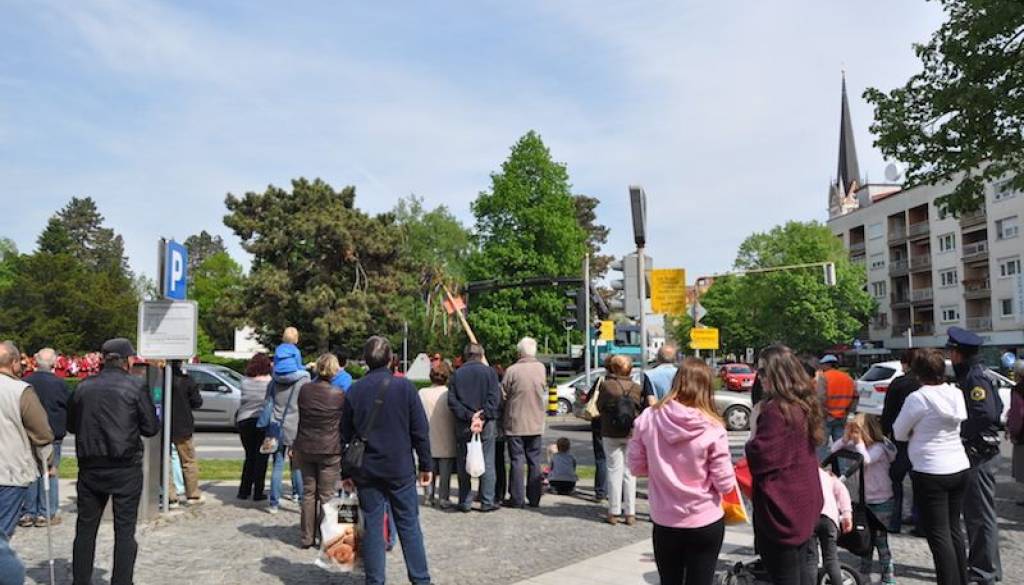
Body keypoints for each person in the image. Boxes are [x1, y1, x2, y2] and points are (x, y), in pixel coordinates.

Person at [629, 357, 734, 584]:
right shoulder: (712, 426)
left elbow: (636, 466)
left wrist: (661, 467)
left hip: (665, 519)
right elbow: (725, 483)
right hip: (704, 518)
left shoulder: (649, 418)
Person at [341, 336, 432, 585]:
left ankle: (375, 581)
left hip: (367, 469)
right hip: (400, 468)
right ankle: (421, 579)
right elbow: (420, 431)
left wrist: (345, 472)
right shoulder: (405, 388)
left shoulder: (355, 390)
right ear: (391, 359)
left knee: (372, 526)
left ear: (365, 360)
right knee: (409, 525)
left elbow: (344, 435)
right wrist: (426, 465)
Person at [69, 338, 160, 585]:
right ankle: (121, 581)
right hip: (125, 466)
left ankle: (80, 580)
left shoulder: (83, 386)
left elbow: (71, 425)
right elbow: (151, 427)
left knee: (85, 528)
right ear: (127, 360)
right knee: (125, 529)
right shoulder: (135, 386)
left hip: (90, 465)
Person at [745, 345, 823, 585]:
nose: (759, 377)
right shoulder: (802, 403)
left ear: (777, 374)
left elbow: (760, 458)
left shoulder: (777, 410)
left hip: (783, 506)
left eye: (763, 371)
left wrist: (754, 430)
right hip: (803, 502)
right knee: (801, 571)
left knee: (785, 575)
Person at [893, 348, 971, 585]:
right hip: (958, 464)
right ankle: (962, 580)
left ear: (918, 372)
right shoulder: (955, 393)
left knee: (938, 534)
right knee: (954, 529)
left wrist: (916, 432)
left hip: (930, 469)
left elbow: (899, 432)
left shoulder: (918, 398)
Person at [947, 327, 1003, 585]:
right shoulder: (976, 374)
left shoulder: (975, 377)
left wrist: (960, 432)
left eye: (951, 351)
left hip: (978, 453)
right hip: (979, 452)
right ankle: (988, 567)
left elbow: (986, 414)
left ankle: (983, 572)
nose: (950, 357)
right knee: (980, 514)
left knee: (979, 515)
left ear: (958, 353)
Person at [832, 414, 897, 584]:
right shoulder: (858, 446)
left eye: (858, 430)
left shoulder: (880, 448)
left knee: (881, 542)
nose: (855, 434)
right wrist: (845, 439)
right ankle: (864, 574)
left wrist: (859, 442)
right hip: (865, 500)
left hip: (881, 500)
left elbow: (865, 460)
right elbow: (834, 450)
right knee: (865, 540)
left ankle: (888, 578)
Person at [0, 341, 54, 539]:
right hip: (10, 471)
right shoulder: (20, 390)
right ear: (14, 362)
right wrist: (48, 462)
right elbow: (41, 432)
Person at [293, 354, 346, 548]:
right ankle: (325, 536)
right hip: (329, 448)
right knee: (326, 495)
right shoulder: (338, 394)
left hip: (305, 445)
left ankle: (306, 537)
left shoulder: (305, 390)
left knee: (308, 494)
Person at [447, 343, 501, 512]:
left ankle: (465, 501)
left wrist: (470, 416)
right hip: (486, 424)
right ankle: (487, 500)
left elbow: (452, 401)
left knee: (464, 462)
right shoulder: (490, 373)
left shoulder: (457, 374)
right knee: (488, 462)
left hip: (464, 424)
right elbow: (495, 399)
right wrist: (482, 416)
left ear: (465, 355)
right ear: (481, 355)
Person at [20, 347, 68, 527]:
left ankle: (28, 512)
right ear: (54, 363)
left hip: (29, 433)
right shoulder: (60, 384)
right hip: (52, 433)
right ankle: (46, 512)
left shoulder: (26, 382)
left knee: (31, 472)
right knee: (50, 472)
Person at [502, 337, 549, 509]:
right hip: (536, 422)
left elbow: (503, 394)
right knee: (534, 460)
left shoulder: (512, 370)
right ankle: (534, 497)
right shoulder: (541, 368)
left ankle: (517, 498)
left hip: (515, 422)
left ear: (520, 352)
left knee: (517, 460)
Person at [596, 354, 643, 525]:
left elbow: (599, 406)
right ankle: (630, 513)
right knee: (630, 472)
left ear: (613, 368)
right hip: (631, 432)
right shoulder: (636, 388)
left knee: (613, 470)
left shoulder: (607, 386)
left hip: (610, 431)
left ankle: (613, 511)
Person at [880, 349, 920, 533]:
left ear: (905, 364)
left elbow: (888, 412)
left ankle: (894, 521)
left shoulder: (899, 383)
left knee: (895, 480)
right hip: (920, 439)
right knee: (918, 481)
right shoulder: (924, 383)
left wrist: (883, 433)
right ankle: (919, 520)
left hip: (900, 439)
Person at [267, 345, 310, 514]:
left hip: (276, 424)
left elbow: (268, 401)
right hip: (295, 425)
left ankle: (273, 503)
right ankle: (300, 499)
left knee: (277, 465)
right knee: (297, 465)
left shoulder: (274, 379)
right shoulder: (303, 379)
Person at [419, 361, 457, 508]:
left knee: (428, 467)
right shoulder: (448, 394)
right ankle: (443, 497)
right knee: (445, 471)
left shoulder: (422, 393)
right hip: (447, 435)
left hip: (427, 436)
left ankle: (428, 496)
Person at [166, 360, 203, 506]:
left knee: (165, 462)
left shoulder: (160, 379)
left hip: (164, 425)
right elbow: (197, 402)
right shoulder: (186, 380)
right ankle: (192, 494)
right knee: (188, 461)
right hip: (183, 425)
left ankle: (170, 496)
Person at [236, 354, 272, 500]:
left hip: (244, 420)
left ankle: (244, 490)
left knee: (249, 456)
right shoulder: (270, 382)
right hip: (263, 421)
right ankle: (258, 491)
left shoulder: (244, 381)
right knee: (261, 458)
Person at [816, 467, 853, 585]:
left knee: (809, 558)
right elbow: (842, 492)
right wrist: (847, 515)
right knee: (831, 559)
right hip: (829, 519)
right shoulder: (828, 476)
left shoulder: (802, 473)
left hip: (811, 518)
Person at [818, 354, 856, 457]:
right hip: (842, 417)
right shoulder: (848, 378)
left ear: (828, 365)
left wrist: (821, 413)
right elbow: (855, 396)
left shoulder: (824, 377)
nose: (821, 367)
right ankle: (842, 467)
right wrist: (849, 412)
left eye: (822, 364)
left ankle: (822, 466)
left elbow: (820, 398)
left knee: (821, 446)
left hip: (826, 417)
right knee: (841, 445)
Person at [1009, 360, 1024, 506]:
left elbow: (1017, 413)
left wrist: (1013, 431)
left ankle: (1021, 497)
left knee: (1021, 466)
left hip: (1022, 435)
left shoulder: (1018, 389)